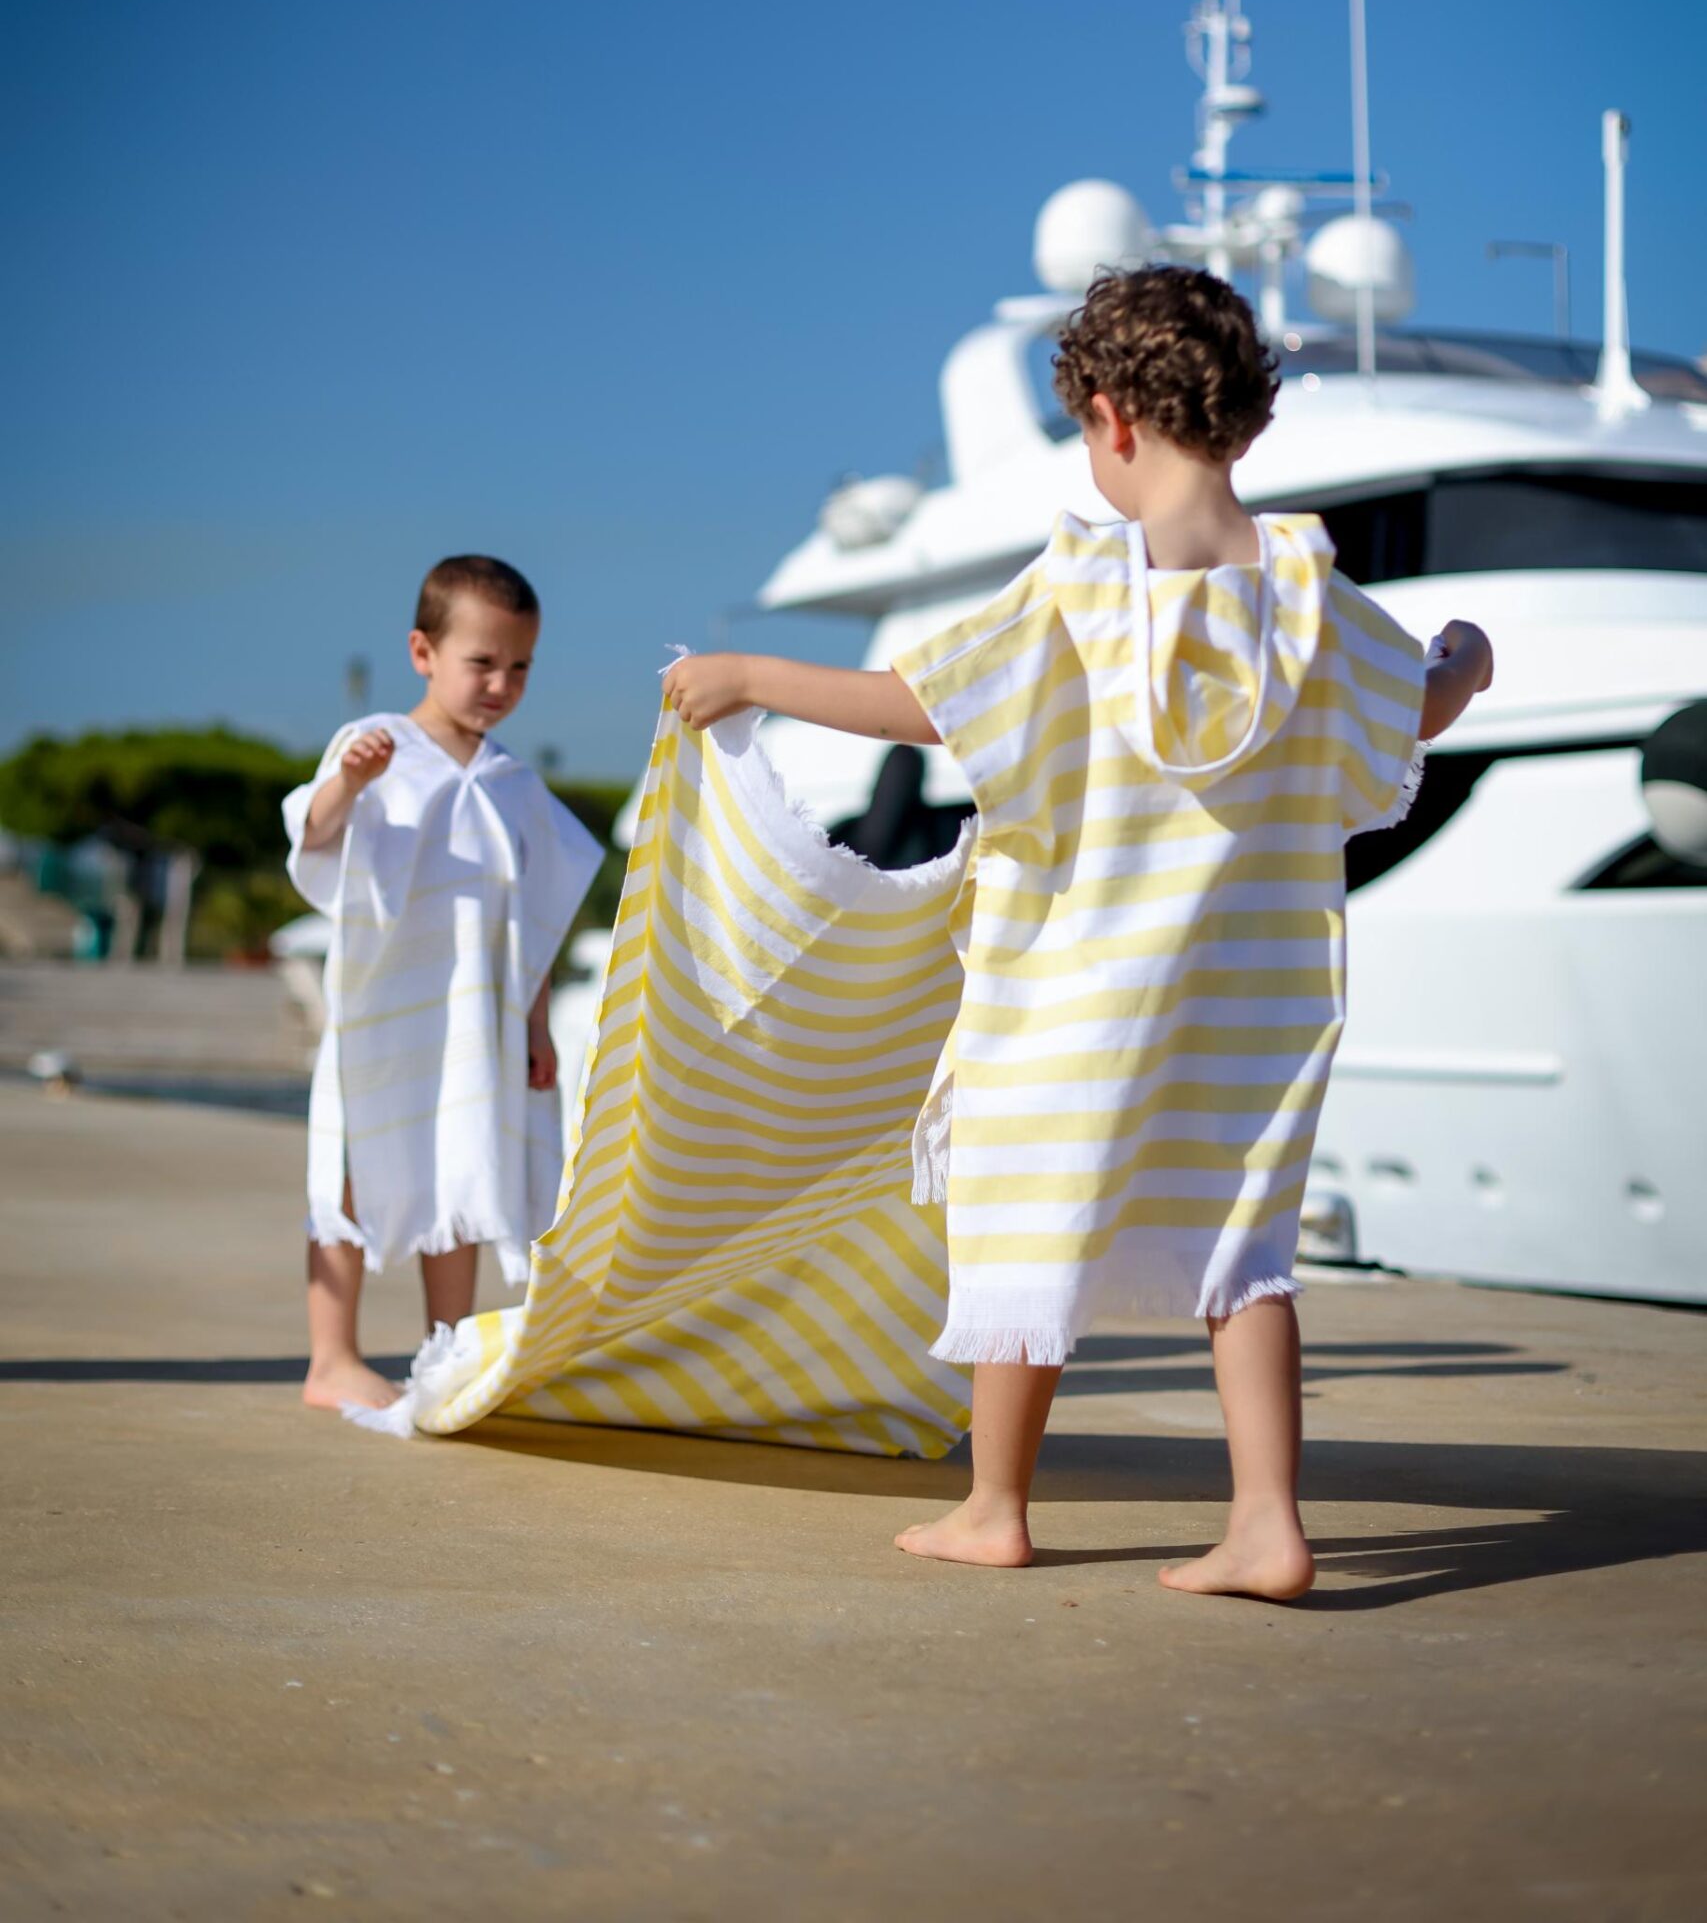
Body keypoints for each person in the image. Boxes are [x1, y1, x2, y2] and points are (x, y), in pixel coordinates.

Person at [664, 268, 1493, 1595]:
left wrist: (752, 672)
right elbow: (1421, 707)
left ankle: (995, 1507)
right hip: (1250, 1014)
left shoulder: (1078, 590)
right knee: (1244, 1255)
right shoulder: (1311, 595)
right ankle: (1266, 1521)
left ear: (1109, 417)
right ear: (1249, 420)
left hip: (1069, 1003)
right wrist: (1464, 654)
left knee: (1023, 1230)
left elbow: (923, 704)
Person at [284, 555, 600, 1412]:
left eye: (520, 666)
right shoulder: (378, 745)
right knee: (350, 1168)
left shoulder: (513, 785)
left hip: (474, 1023)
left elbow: (533, 920)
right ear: (422, 652)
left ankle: (445, 1349)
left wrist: (535, 1026)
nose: (501, 684)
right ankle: (331, 1358)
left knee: (460, 1168)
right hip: (381, 1010)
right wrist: (349, 781)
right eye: (482, 662)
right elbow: (313, 835)